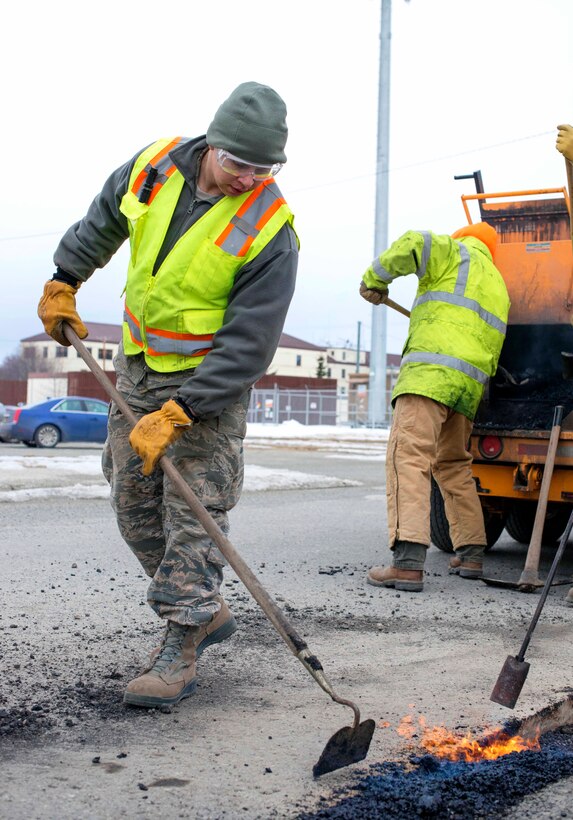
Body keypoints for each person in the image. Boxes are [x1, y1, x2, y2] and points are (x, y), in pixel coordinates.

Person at [37, 82, 299, 706]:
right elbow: (102, 220)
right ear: (214, 144)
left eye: (264, 169)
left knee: (193, 514)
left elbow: (251, 343)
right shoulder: (153, 167)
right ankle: (204, 610)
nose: (249, 179)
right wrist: (65, 277)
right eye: (239, 164)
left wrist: (187, 409)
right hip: (140, 369)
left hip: (208, 386)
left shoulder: (272, 227)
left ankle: (181, 643)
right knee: (133, 505)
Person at [359, 222, 510, 592]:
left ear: (464, 236)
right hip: (468, 387)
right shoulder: (499, 286)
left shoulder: (453, 251)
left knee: (407, 456)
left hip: (429, 375)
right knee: (453, 463)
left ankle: (408, 562)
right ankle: (471, 552)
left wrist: (375, 280)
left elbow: (415, 242)